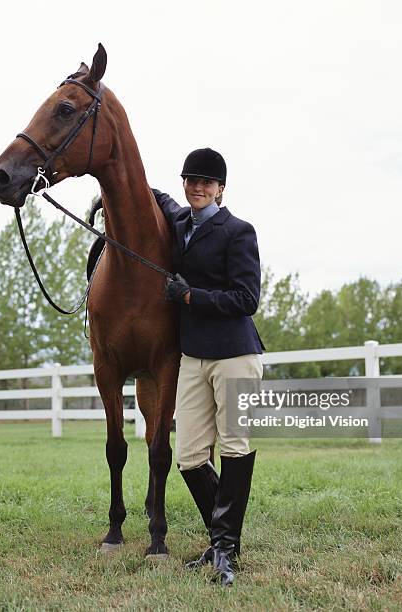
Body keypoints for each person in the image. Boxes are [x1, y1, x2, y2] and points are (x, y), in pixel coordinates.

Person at [152, 147, 265, 586]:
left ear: (221, 189)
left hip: (235, 354)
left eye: (206, 182)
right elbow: (157, 199)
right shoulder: (179, 221)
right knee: (189, 455)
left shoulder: (239, 231)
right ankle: (226, 540)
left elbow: (246, 299)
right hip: (193, 356)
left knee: (235, 446)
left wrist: (189, 297)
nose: (196, 187)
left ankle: (223, 551)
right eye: (190, 180)